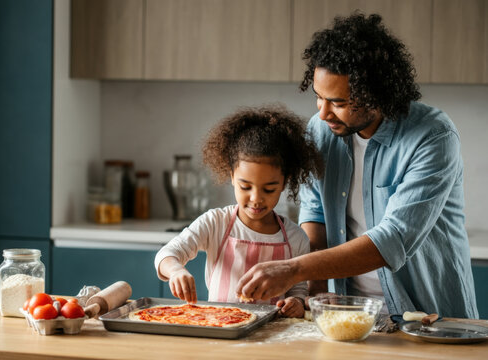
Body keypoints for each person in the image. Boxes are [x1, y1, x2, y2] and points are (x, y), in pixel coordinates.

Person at [236, 12, 478, 318]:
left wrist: (293, 269)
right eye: (318, 97)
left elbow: (392, 239)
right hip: (351, 314)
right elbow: (316, 214)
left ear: (376, 96)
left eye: (338, 102)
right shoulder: (321, 130)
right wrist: (314, 294)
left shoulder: (432, 136)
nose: (323, 113)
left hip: (428, 317)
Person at [154, 104, 324, 318]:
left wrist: (295, 303)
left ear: (284, 182)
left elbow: (298, 289)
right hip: (219, 328)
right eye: (245, 187)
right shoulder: (215, 223)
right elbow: (166, 255)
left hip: (272, 336)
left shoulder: (295, 237)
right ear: (232, 176)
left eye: (269, 189)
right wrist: (176, 271)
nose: (256, 198)